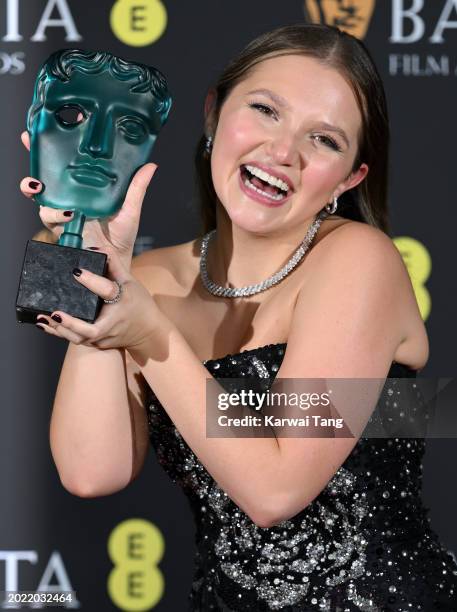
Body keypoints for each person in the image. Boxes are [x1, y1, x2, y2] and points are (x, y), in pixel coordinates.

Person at [20, 23, 457, 612]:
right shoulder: (149, 278)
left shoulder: (358, 261)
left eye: (324, 141)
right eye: (265, 110)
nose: (283, 153)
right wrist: (95, 260)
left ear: (352, 176)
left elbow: (276, 488)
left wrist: (151, 335)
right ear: (214, 114)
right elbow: (91, 470)